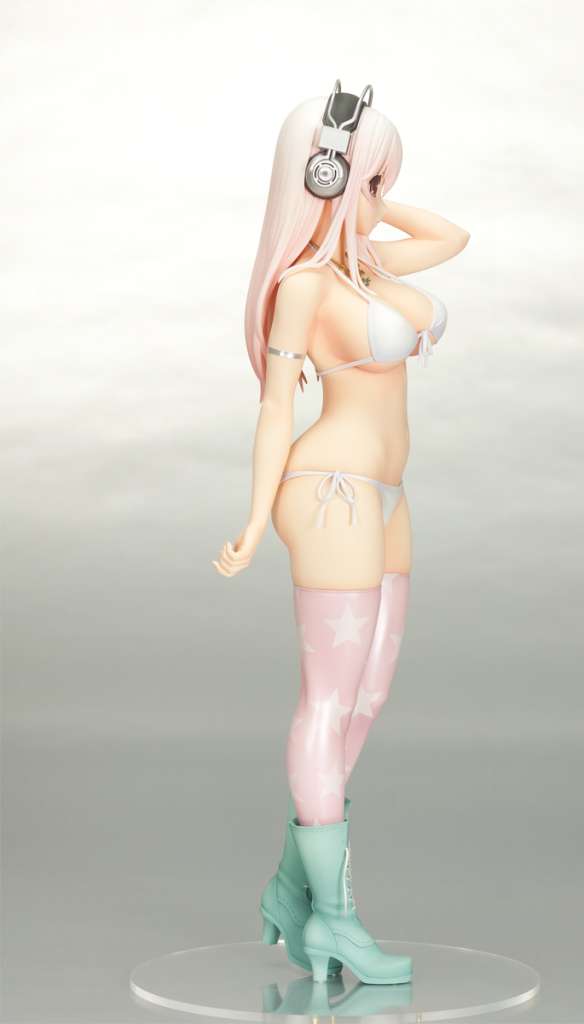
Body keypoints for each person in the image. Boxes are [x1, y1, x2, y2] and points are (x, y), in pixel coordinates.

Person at [212, 83, 470, 985]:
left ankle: (294, 889)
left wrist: (370, 197)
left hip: (386, 496)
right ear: (320, 175)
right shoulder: (304, 287)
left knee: (368, 699)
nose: (376, 195)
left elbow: (452, 238)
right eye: (365, 177)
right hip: (330, 493)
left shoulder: (368, 267)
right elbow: (275, 410)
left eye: (381, 179)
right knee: (327, 703)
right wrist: (255, 519)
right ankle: (336, 917)